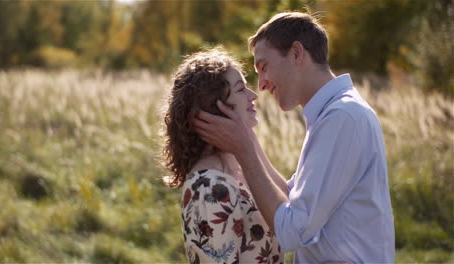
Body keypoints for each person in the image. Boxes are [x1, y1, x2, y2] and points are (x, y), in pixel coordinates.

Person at [194, 12, 395, 263]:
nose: (262, 86)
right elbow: (292, 197)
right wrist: (248, 141)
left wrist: (244, 150)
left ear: (297, 53)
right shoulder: (332, 114)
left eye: (264, 67)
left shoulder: (342, 118)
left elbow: (293, 231)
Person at [161, 48, 284, 264]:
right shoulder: (208, 187)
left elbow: (292, 214)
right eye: (241, 89)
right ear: (214, 107)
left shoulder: (239, 168)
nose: (253, 96)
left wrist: (248, 143)